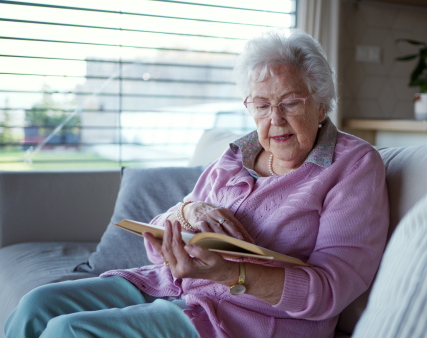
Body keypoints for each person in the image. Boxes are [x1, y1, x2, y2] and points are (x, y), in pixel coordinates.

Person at [5, 29, 389, 338]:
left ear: (321, 103)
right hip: (172, 285)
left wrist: (227, 274)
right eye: (260, 104)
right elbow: (162, 232)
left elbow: (330, 291)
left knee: (68, 330)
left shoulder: (352, 165)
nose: (274, 119)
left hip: (243, 318)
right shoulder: (236, 155)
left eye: (290, 102)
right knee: (37, 305)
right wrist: (188, 213)